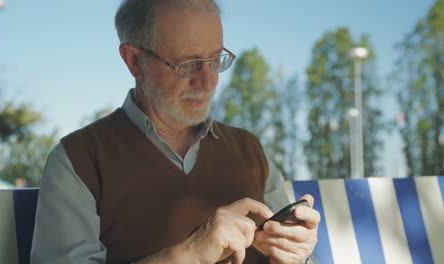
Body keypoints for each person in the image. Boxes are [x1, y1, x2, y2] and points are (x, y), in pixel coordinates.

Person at [30, 0, 320, 263]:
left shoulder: (250, 149)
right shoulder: (79, 160)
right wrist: (189, 254)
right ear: (134, 61)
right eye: (188, 64)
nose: (208, 82)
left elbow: (297, 254)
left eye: (216, 59)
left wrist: (296, 257)